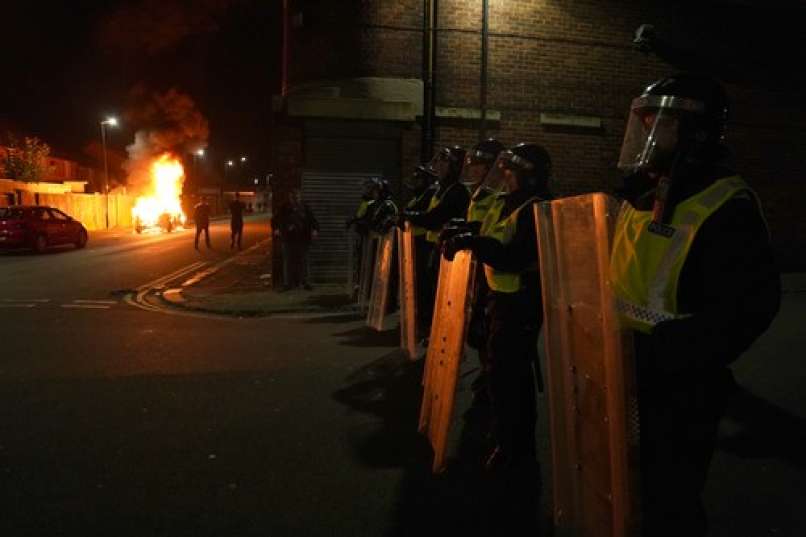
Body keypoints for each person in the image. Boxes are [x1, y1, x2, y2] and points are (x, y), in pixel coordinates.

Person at [610, 74, 780, 536]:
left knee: (670, 503)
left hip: (680, 387)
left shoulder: (724, 204)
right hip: (625, 369)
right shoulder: (644, 192)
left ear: (695, 130)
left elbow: (752, 305)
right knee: (627, 488)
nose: (646, 135)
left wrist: (678, 348)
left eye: (658, 123)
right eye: (642, 123)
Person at [443, 143, 553, 471]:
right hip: (499, 298)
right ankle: (505, 437)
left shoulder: (537, 208)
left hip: (521, 303)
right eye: (504, 171)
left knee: (511, 379)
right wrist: (465, 231)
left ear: (530, 176)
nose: (505, 177)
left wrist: (473, 242)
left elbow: (514, 257)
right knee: (498, 372)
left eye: (512, 172)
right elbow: (489, 234)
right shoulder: (508, 203)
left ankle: (516, 451)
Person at [403, 145, 471, 337]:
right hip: (434, 247)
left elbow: (434, 218)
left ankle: (444, 338)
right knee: (430, 294)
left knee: (443, 298)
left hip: (449, 254)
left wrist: (409, 216)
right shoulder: (442, 190)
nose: (439, 166)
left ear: (454, 166)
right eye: (439, 162)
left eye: (445, 162)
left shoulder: (456, 191)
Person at [461, 138, 506, 406]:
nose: (474, 170)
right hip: (477, 265)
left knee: (487, 327)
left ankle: (489, 375)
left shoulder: (498, 195)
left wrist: (472, 236)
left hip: (492, 268)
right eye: (473, 165)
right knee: (477, 326)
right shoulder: (479, 192)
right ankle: (484, 370)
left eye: (480, 165)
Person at [400, 165, 439, 335]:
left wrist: (407, 214)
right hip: (416, 240)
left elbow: (418, 214)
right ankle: (419, 315)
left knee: (424, 282)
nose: (416, 182)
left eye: (419, 179)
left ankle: (425, 319)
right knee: (417, 280)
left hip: (425, 241)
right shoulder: (419, 195)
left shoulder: (429, 193)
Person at [271, 189, 320, 291]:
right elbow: (274, 220)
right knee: (288, 261)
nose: (295, 199)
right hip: (288, 238)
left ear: (300, 197)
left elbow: (313, 220)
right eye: (293, 197)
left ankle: (305, 282)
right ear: (290, 198)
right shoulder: (284, 207)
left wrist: (315, 230)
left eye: (297, 196)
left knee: (304, 261)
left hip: (303, 238)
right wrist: (276, 229)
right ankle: (288, 284)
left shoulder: (305, 207)